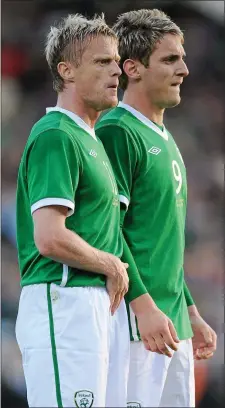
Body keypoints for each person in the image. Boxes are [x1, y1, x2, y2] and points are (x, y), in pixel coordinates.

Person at [15, 13, 145, 408]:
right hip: (63, 298)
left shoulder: (90, 139)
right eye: (101, 62)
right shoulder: (58, 134)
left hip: (89, 307)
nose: (116, 72)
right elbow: (49, 236)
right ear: (66, 71)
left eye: (116, 61)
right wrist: (109, 263)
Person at [96, 9, 217, 407]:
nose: (184, 69)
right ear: (132, 67)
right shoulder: (117, 131)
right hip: (136, 323)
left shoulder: (166, 138)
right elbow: (109, 230)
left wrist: (191, 310)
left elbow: (161, 241)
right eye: (170, 59)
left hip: (173, 323)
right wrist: (143, 307)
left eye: (181, 58)